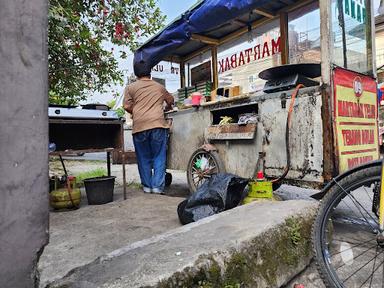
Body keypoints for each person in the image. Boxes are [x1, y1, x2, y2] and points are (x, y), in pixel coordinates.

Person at [123, 65, 174, 194]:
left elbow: (126, 106)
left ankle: (147, 186)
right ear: (150, 74)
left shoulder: (130, 88)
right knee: (159, 156)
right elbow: (171, 100)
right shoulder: (159, 87)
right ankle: (157, 187)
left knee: (143, 157)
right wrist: (166, 107)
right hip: (157, 125)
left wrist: (136, 110)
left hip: (139, 126)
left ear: (136, 75)